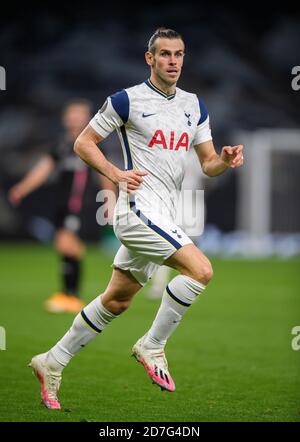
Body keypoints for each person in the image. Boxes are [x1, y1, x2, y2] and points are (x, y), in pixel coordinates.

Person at [28, 27, 244, 409]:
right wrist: (115, 174)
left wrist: (224, 161)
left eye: (178, 54)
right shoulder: (126, 100)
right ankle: (153, 345)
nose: (173, 61)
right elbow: (83, 142)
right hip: (137, 209)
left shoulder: (195, 105)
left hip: (166, 211)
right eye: (164, 54)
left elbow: (207, 164)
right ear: (150, 58)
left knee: (118, 300)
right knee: (201, 271)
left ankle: (51, 361)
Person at [8, 99, 115, 313]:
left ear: (88, 118)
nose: (74, 118)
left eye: (79, 114)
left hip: (79, 205)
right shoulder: (61, 145)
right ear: (65, 118)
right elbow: (43, 169)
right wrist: (23, 188)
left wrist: (110, 201)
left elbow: (106, 174)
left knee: (69, 245)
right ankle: (67, 293)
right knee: (64, 247)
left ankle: (72, 296)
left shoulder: (92, 144)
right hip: (61, 204)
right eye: (71, 114)